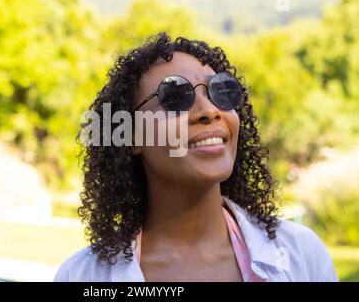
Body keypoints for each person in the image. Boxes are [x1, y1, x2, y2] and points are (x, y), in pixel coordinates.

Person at [54, 32, 338, 282]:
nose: (209, 110)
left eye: (220, 91)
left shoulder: (301, 255)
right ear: (131, 135)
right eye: (175, 96)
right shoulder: (82, 277)